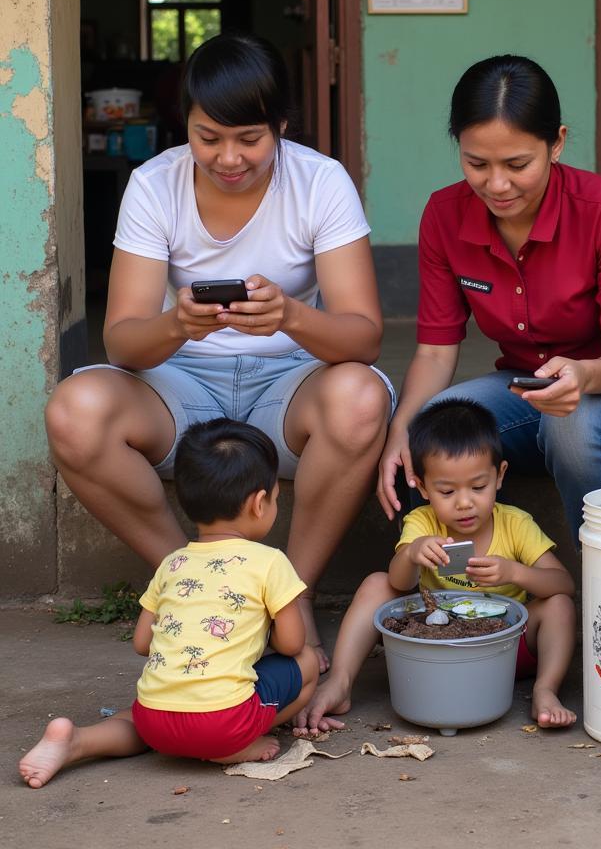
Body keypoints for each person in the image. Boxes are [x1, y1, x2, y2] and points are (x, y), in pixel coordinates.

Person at [45, 34, 394, 672]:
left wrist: (291, 316)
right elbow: (122, 339)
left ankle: (293, 595)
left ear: (281, 127)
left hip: (289, 388)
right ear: (187, 126)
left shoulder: (320, 182)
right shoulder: (155, 184)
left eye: (250, 139)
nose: (228, 157)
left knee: (360, 395)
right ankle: (195, 584)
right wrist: (177, 325)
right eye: (208, 138)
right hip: (181, 390)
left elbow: (363, 336)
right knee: (75, 410)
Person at [377, 54, 601, 536]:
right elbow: (433, 350)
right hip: (536, 392)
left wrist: (582, 375)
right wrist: (401, 431)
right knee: (431, 430)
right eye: (476, 163)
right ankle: (469, 594)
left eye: (517, 164)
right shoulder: (444, 215)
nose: (497, 184)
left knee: (573, 424)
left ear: (557, 143)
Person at [19, 419, 319, 788]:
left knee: (148, 713)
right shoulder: (270, 562)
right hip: (224, 724)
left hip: (155, 721)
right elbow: (291, 644)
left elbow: (143, 643)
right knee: (307, 663)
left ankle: (77, 741)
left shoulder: (172, 564)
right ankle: (237, 743)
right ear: (260, 503)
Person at [294, 398, 577, 733]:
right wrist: (413, 554)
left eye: (478, 486)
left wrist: (516, 573)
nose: (464, 502)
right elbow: (398, 584)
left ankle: (545, 690)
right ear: (424, 487)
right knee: (376, 582)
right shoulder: (422, 523)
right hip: (430, 643)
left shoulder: (515, 524)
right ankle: (340, 682)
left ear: (499, 476)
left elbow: (564, 583)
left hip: (505, 649)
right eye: (446, 490)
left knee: (559, 606)